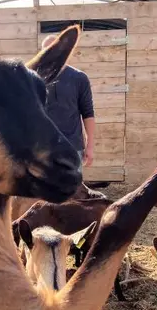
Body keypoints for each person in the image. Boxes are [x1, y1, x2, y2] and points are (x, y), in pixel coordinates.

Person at [41, 34, 106, 199]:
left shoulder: (78, 78)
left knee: (73, 193)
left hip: (72, 147)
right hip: (43, 149)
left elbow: (88, 113)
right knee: (46, 195)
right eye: (46, 51)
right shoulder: (34, 78)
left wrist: (90, 147)